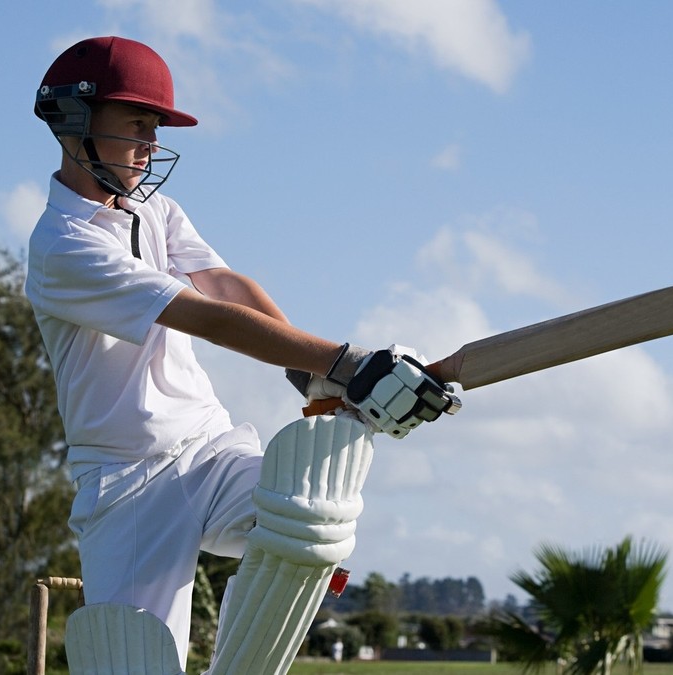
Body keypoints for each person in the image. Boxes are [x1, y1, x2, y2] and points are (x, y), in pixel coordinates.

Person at [26, 36, 457, 672]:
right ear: (74, 122)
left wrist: (311, 371)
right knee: (133, 658)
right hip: (124, 481)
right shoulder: (62, 247)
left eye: (156, 129)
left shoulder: (156, 212)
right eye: (137, 126)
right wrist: (349, 363)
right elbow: (201, 314)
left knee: (311, 519)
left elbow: (226, 286)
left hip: (207, 448)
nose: (150, 146)